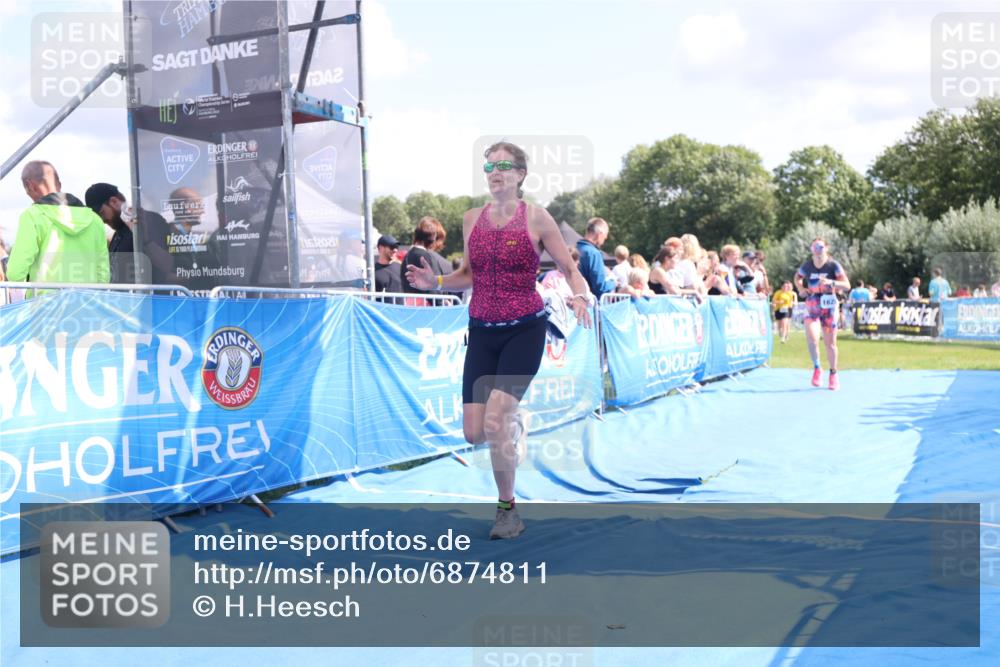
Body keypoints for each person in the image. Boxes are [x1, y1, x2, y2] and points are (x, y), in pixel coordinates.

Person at [405, 141, 592, 540]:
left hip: (524, 328)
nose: (494, 172)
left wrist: (580, 293)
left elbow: (568, 267)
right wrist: (434, 281)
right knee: (474, 432)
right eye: (488, 166)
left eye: (504, 165)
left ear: (521, 174)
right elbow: (467, 275)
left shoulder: (538, 218)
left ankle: (508, 511)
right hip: (482, 331)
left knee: (494, 420)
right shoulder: (472, 218)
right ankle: (511, 426)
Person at [5, 160, 109, 285]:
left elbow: (15, 274)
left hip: (47, 302)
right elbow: (104, 275)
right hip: (87, 301)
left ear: (30, 185)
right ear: (58, 184)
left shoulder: (33, 216)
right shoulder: (94, 219)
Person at [794, 238, 850, 390]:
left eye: (821, 246)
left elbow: (847, 285)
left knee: (830, 343)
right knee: (812, 339)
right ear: (812, 249)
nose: (818, 250)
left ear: (826, 248)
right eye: (815, 247)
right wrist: (800, 289)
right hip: (812, 305)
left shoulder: (833, 265)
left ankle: (833, 373)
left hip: (829, 306)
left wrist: (832, 283)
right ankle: (817, 368)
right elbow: (797, 277)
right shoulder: (807, 265)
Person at [85, 183, 135, 284]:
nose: (102, 220)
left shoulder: (145, 222)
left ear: (114, 201)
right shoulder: (118, 234)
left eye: (102, 213)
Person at [576, 217, 617, 301]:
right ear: (600, 234)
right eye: (605, 235)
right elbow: (600, 287)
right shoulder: (594, 254)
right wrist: (613, 282)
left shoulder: (574, 249)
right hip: (589, 306)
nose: (605, 238)